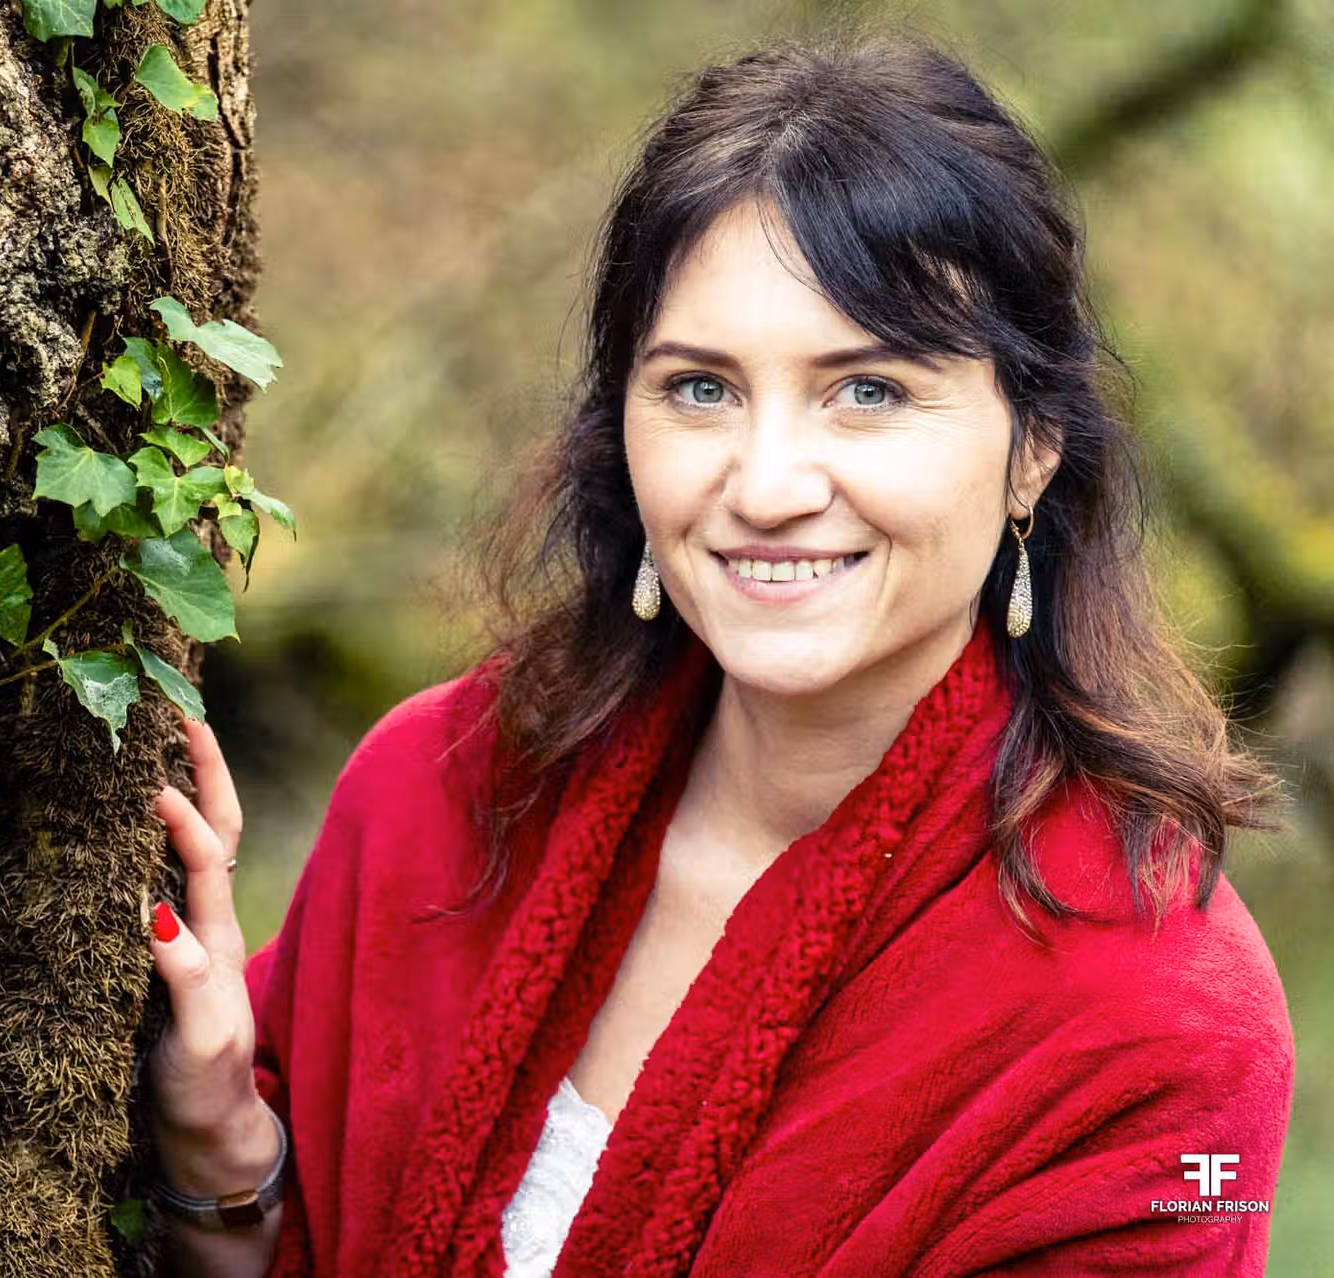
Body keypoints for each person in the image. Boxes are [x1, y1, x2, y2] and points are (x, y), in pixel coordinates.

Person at [142, 30, 1295, 1278]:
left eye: (870, 391)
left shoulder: (1157, 1019)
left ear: (1033, 449)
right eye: (701, 389)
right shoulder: (441, 788)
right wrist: (223, 1159)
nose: (766, 485)